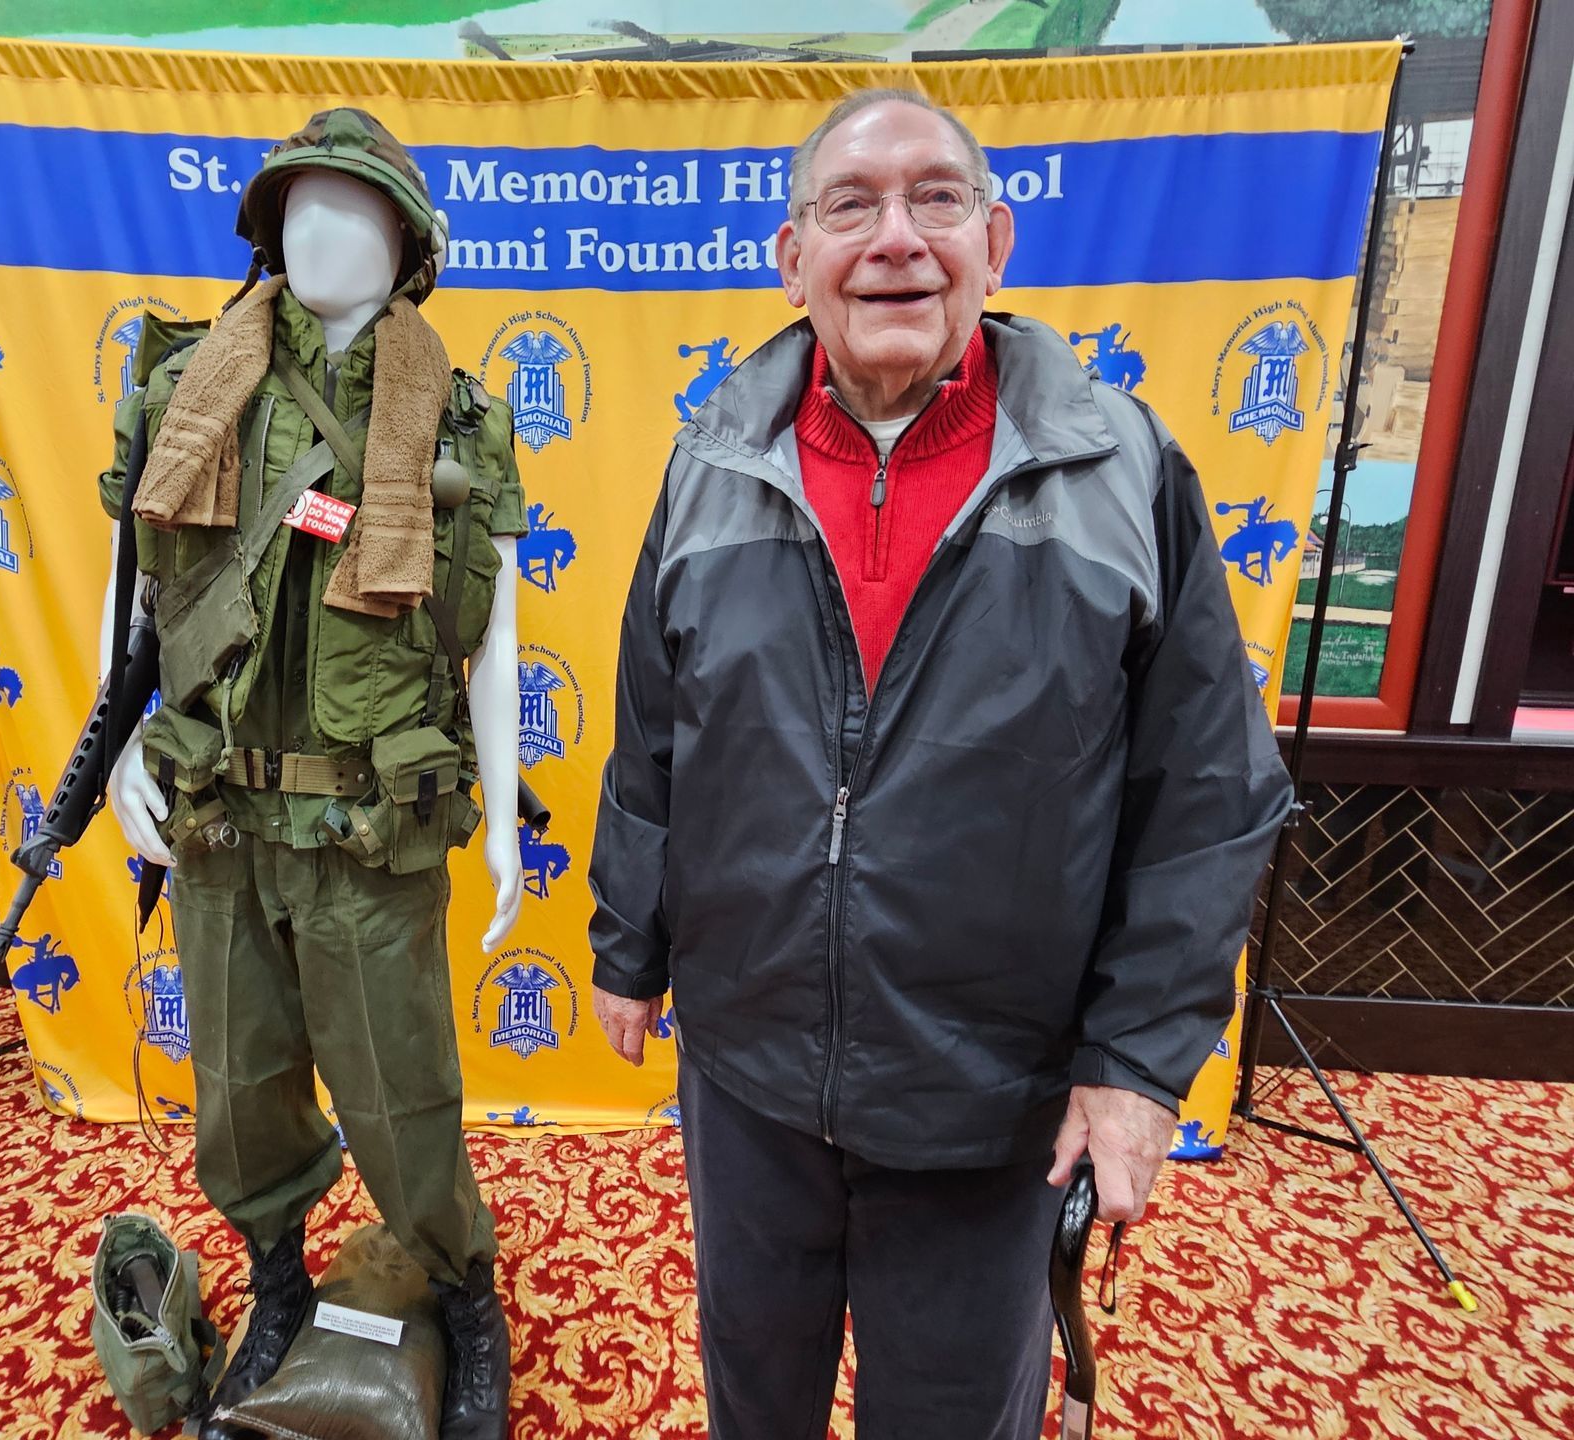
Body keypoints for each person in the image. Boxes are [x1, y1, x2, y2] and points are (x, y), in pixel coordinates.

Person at [586, 89, 1292, 1439]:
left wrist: (1139, 1064)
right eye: (850, 206)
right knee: (756, 1392)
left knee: (959, 1416)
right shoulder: (712, 462)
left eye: (936, 199)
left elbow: (1205, 794)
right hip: (750, 1075)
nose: (895, 238)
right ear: (792, 258)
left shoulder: (1119, 470)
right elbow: (655, 728)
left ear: (996, 238)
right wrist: (631, 940)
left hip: (991, 1088)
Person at [98, 110, 525, 1440]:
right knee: (237, 1089)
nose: (320, 229)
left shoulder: (453, 419)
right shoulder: (187, 390)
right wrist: (116, 757)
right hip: (221, 812)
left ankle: (465, 1300)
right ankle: (277, 1279)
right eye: (298, 205)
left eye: (356, 207)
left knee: (402, 1096)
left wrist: (504, 820)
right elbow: (142, 602)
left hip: (368, 820)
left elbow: (495, 635)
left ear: (406, 244)